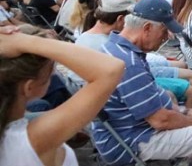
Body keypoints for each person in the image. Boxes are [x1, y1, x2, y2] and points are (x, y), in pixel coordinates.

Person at [94, 0, 192, 166]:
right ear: (147, 28)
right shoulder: (128, 63)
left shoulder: (114, 47)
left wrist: (186, 113)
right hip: (132, 141)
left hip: (128, 132)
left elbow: (155, 105)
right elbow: (161, 120)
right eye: (165, 31)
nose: (167, 37)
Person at [0, 24, 124, 166]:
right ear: (29, 87)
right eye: (50, 69)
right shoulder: (34, 138)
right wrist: (22, 41)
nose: (54, 73)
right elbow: (110, 70)